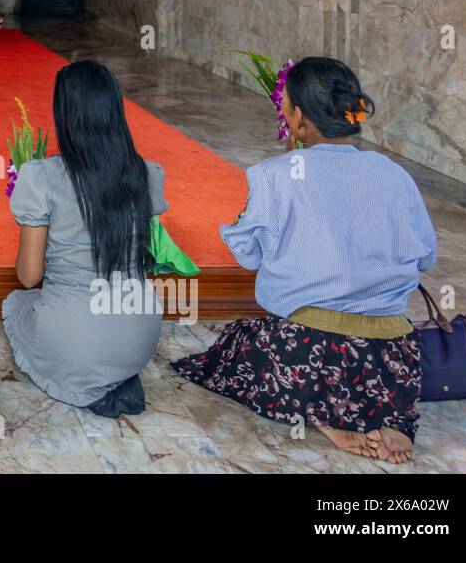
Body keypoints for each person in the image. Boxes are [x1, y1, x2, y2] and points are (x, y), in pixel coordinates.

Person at [172, 57, 436, 464]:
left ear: (298, 118)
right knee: (368, 362)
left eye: (286, 105)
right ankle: (388, 414)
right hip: (390, 357)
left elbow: (246, 256)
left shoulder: (274, 175)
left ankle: (322, 415)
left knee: (238, 345)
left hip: (302, 356)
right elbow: (425, 255)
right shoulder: (393, 173)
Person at [5, 60, 168, 417]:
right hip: (142, 335)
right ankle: (117, 373)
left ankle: (90, 376)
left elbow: (29, 276)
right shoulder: (147, 173)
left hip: (77, 338)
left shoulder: (42, 176)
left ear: (65, 114)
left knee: (17, 304)